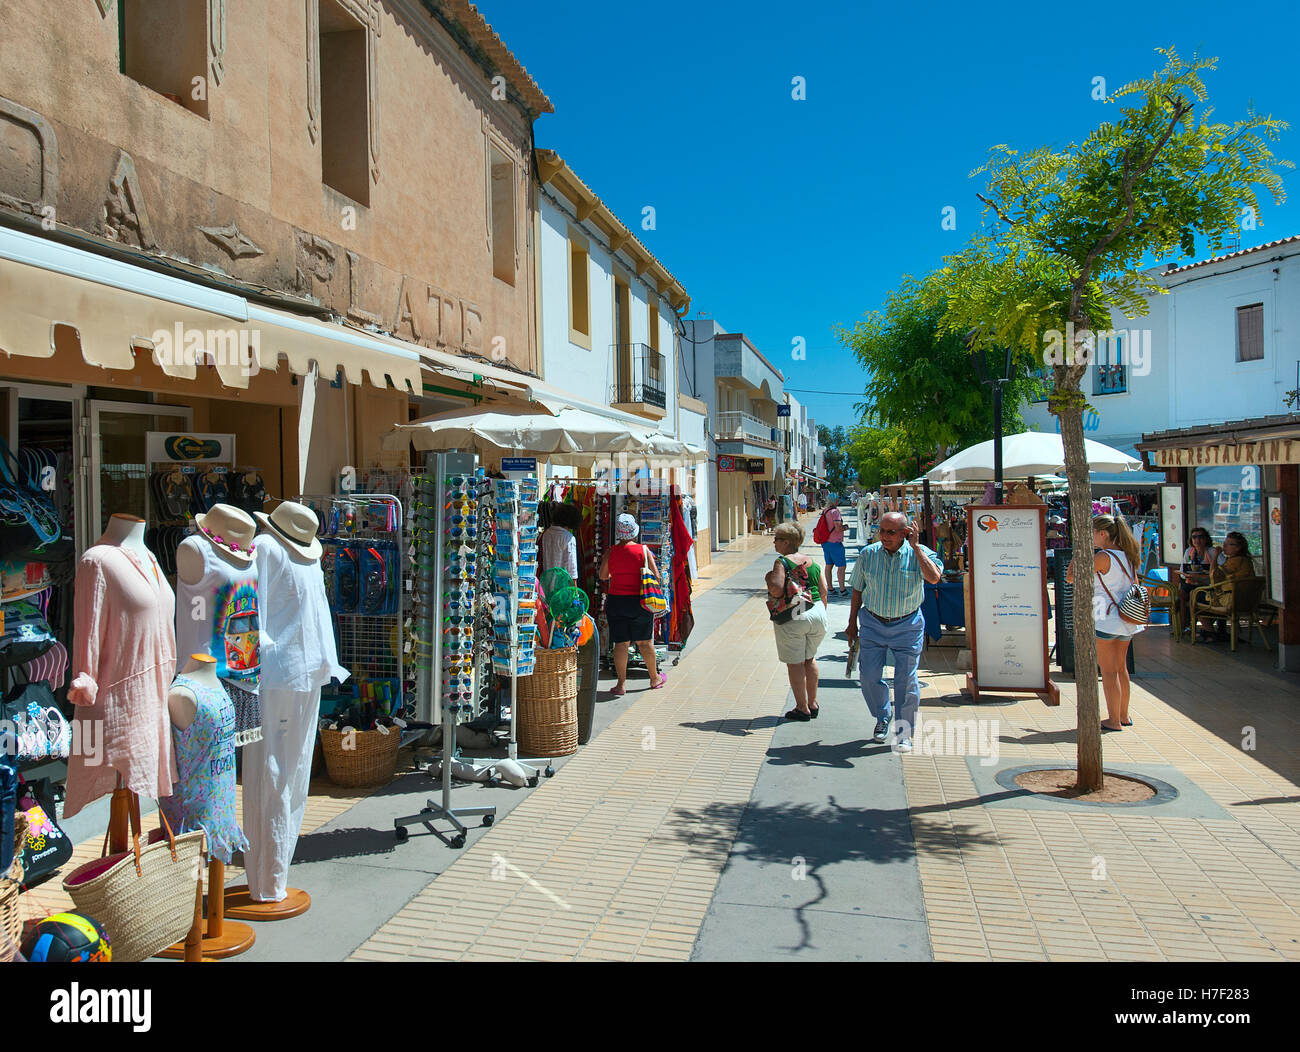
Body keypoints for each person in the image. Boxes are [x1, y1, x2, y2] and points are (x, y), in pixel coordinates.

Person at [846, 511, 942, 752]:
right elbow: (857, 590)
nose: (885, 536)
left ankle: (904, 732)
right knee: (867, 676)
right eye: (882, 530)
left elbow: (934, 578)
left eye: (891, 532)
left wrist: (917, 548)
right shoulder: (868, 555)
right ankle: (882, 716)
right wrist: (851, 624)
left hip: (907, 625)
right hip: (873, 623)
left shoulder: (919, 554)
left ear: (905, 533)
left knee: (905, 679)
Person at [1068, 513, 1144, 731]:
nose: (1091, 538)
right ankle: (1123, 715)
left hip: (1105, 618)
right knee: (1121, 668)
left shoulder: (1103, 557)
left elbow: (1073, 577)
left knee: (1108, 671)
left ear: (1103, 534)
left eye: (1092, 533)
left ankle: (1113, 720)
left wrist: (1077, 555)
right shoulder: (1128, 556)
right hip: (1127, 618)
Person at [765, 521, 828, 722]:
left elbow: (776, 589)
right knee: (809, 659)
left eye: (776, 539)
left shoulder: (782, 562)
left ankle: (802, 708)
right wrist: (819, 613)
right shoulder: (812, 562)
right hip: (817, 612)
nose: (774, 543)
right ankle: (813, 703)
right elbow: (824, 590)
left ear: (786, 542)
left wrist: (768, 578)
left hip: (795, 614)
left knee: (795, 663)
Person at [598, 513, 666, 695]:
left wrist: (617, 574)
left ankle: (621, 685)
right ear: (633, 532)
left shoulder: (611, 551)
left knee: (621, 644)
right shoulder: (643, 550)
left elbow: (603, 576)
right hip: (640, 601)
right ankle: (654, 678)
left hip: (617, 601)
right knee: (644, 642)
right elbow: (656, 577)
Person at [1195, 531, 1254, 643]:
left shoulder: (1235, 561)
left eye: (1228, 544)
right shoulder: (1244, 560)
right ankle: (1219, 632)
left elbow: (1214, 575)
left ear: (1237, 548)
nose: (1224, 546)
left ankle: (1211, 633)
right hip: (1248, 600)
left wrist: (1216, 556)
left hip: (1233, 600)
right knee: (1206, 596)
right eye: (1224, 543)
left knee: (1196, 596)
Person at [1179, 526, 1221, 635]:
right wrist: (1188, 576)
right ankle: (1184, 626)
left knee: (1194, 594)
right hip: (1192, 582)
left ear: (1206, 539)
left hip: (1208, 584)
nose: (1197, 540)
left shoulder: (1212, 552)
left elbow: (1222, 569)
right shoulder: (1189, 551)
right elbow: (1182, 571)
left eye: (1200, 537)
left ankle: (1199, 626)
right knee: (1181, 594)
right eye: (1194, 537)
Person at [541, 501, 580, 582]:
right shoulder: (569, 538)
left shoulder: (546, 534)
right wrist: (575, 592)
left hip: (546, 585)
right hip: (562, 588)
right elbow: (572, 571)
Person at [817, 502, 848, 596]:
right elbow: (838, 528)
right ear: (835, 501)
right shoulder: (835, 512)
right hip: (835, 542)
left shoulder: (825, 511)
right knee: (842, 566)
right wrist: (846, 527)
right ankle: (842, 589)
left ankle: (830, 588)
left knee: (829, 565)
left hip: (826, 541)